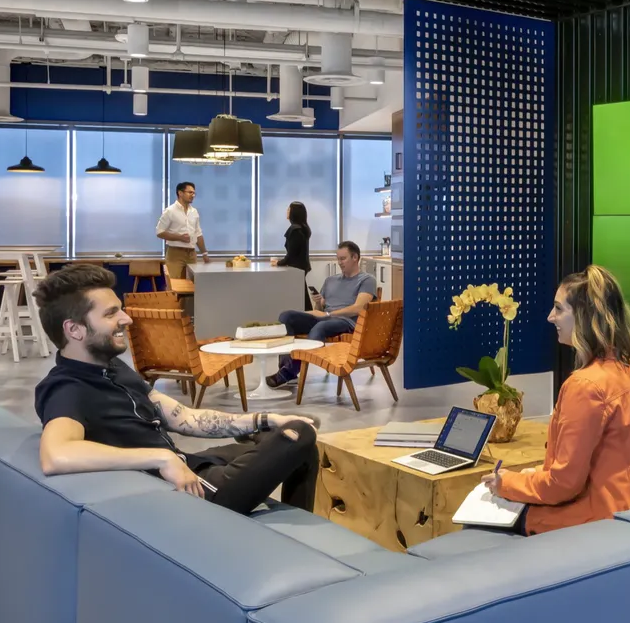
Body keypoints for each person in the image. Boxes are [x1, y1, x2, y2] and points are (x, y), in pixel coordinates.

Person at [33, 264, 320, 515]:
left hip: (189, 466)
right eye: (111, 313)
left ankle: (296, 531)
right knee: (299, 436)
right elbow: (56, 455)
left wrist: (265, 420)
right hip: (180, 493)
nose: (126, 319)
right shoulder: (66, 387)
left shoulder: (113, 368)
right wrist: (160, 457)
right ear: (75, 329)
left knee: (292, 434)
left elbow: (183, 417)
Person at [482, 265, 630, 535]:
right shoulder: (629, 369)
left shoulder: (585, 386)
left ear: (584, 317)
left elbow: (563, 485)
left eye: (559, 309)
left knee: (485, 514)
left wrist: (507, 484)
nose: (550, 317)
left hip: (600, 519)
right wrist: (533, 475)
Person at [267, 241, 377, 388]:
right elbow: (319, 308)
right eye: (338, 259)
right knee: (286, 317)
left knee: (320, 327)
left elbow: (358, 308)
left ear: (355, 257)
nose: (340, 262)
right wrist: (319, 303)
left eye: (343, 258)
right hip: (325, 317)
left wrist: (327, 314)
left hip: (347, 322)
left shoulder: (367, 280)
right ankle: (286, 368)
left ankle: (287, 373)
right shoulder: (330, 280)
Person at [156, 181, 210, 279]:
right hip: (175, 253)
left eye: (194, 193)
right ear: (180, 193)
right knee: (174, 282)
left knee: (193, 283)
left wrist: (204, 253)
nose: (193, 195)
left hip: (192, 253)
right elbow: (159, 232)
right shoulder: (170, 211)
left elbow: (198, 234)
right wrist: (180, 237)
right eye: (190, 192)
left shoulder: (194, 212)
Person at [271, 201, 312, 310]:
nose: (287, 212)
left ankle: (308, 314)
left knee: (300, 296)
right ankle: (308, 313)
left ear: (294, 213)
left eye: (289, 210)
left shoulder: (295, 230)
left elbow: (291, 255)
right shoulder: (301, 228)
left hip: (297, 268)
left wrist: (279, 263)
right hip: (301, 266)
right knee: (302, 294)